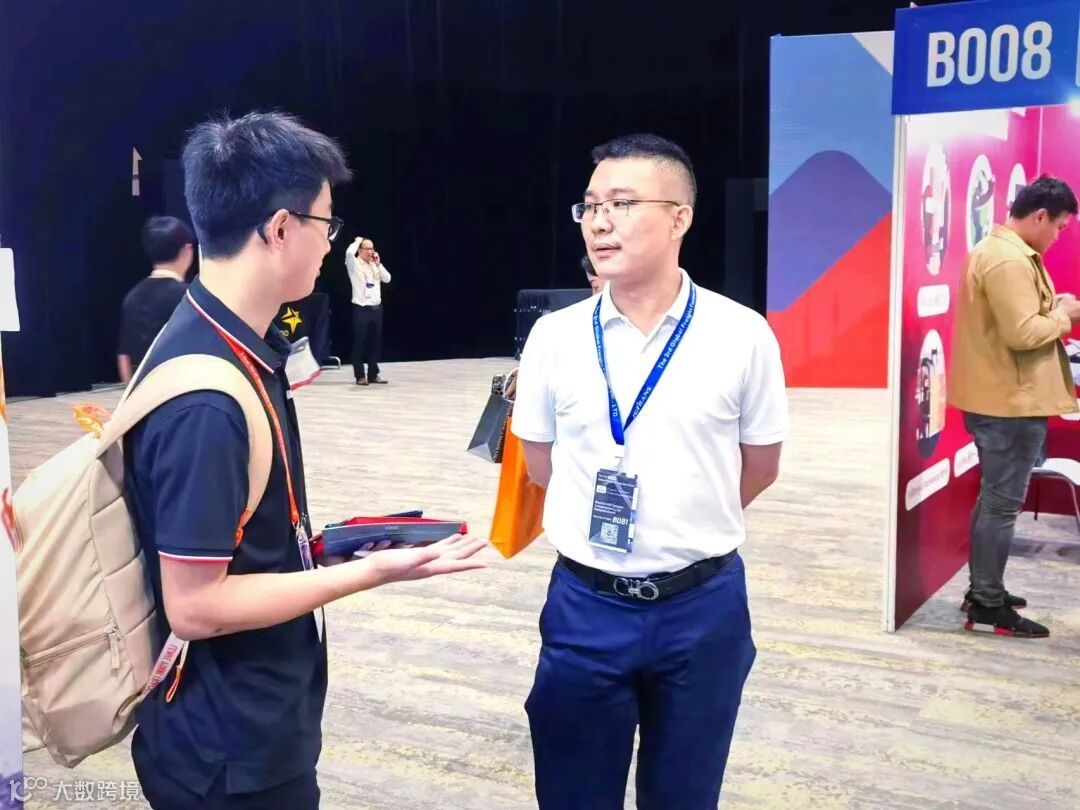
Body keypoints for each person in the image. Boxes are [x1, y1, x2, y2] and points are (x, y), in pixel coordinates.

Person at [124, 111, 486, 809]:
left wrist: (327, 548)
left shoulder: (227, 340)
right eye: (327, 224)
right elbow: (196, 607)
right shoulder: (208, 398)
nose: (330, 243)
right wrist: (371, 572)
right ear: (282, 228)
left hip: (246, 718)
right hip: (231, 750)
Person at [511, 134, 788, 809]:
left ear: (679, 218)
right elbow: (541, 463)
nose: (599, 221)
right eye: (590, 205)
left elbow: (760, 465)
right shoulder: (555, 336)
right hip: (586, 606)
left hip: (703, 609)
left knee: (685, 795)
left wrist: (684, 519)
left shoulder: (742, 334)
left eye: (622, 203)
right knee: (574, 793)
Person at [949, 175, 1080, 640]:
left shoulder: (1005, 252)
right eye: (1059, 227)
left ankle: (985, 590)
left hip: (1005, 399)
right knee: (1002, 505)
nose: (1059, 236)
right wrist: (1064, 315)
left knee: (995, 501)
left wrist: (1053, 309)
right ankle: (987, 603)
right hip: (1009, 404)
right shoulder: (1008, 260)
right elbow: (1023, 333)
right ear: (1040, 215)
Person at [117, 216, 194, 382]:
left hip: (143, 390)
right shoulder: (189, 297)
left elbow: (124, 356)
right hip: (181, 388)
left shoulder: (132, 296)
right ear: (187, 250)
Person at [345, 235, 391, 385]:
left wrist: (378, 264)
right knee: (360, 342)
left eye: (372, 249)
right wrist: (358, 241)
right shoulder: (354, 264)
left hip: (376, 309)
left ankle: (373, 374)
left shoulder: (374, 265)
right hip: (361, 309)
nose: (370, 251)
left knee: (374, 343)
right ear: (360, 250)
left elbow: (387, 279)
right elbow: (349, 253)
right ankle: (360, 375)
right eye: (367, 248)